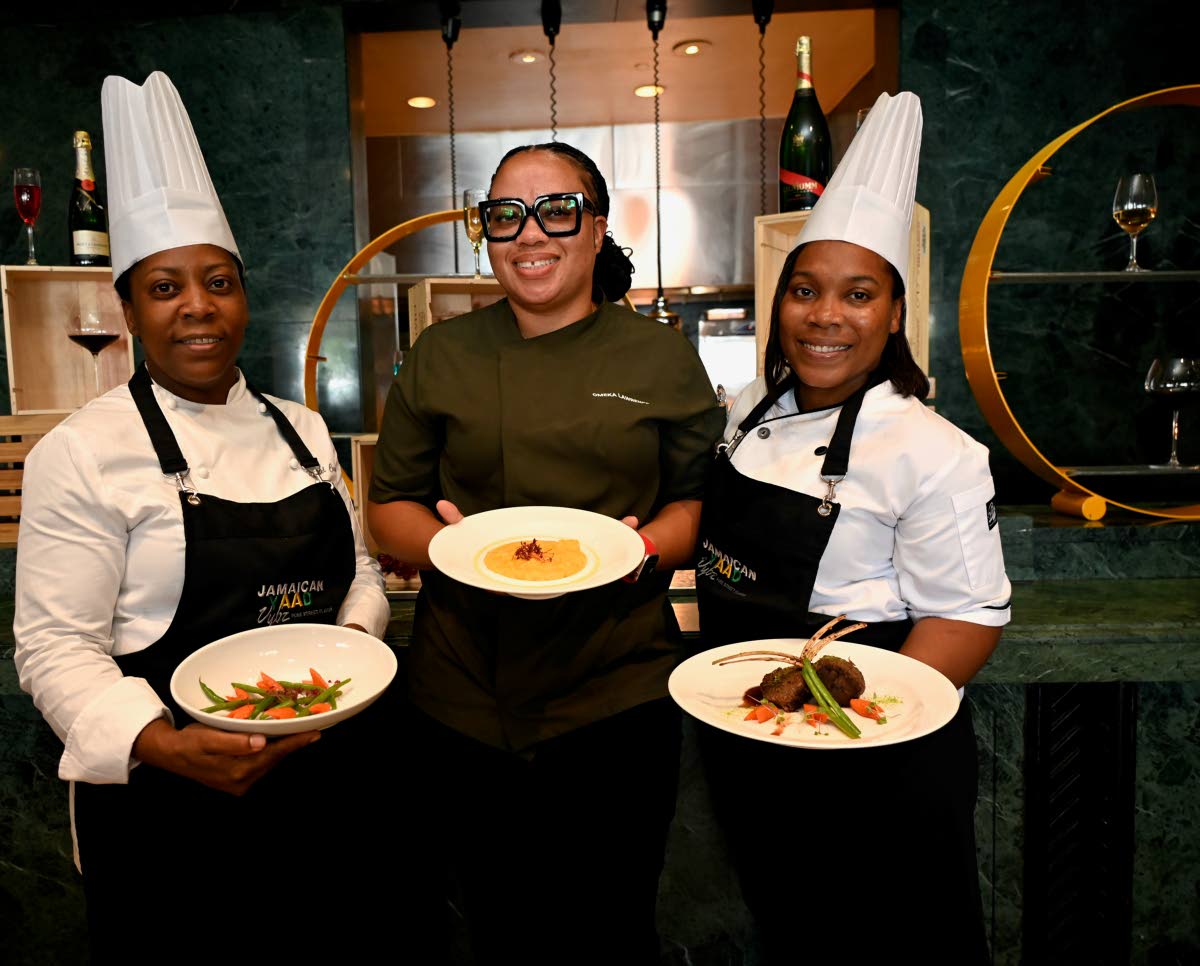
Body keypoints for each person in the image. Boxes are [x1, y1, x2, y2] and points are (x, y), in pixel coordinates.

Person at [12, 71, 392, 955]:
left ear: (243, 295)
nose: (197, 307)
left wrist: (355, 650)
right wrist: (160, 742)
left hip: (319, 779)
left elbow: (360, 573)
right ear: (131, 309)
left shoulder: (301, 430)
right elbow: (53, 646)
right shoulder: (83, 450)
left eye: (217, 282)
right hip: (165, 804)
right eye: (165, 287)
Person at [367, 141, 725, 964]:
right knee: (495, 930)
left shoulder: (660, 356)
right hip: (461, 691)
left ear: (597, 229)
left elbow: (698, 503)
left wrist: (643, 549)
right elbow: (388, 508)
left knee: (611, 930)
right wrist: (450, 547)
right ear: (485, 233)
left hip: (617, 690)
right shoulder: (441, 355)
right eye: (505, 216)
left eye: (557, 210)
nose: (531, 234)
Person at [694, 91, 1011, 963]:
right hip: (757, 739)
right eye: (805, 290)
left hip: (872, 758)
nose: (825, 316)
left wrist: (859, 725)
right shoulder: (755, 406)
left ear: (896, 312)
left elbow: (967, 618)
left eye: (858, 294)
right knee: (795, 935)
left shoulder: (933, 450)